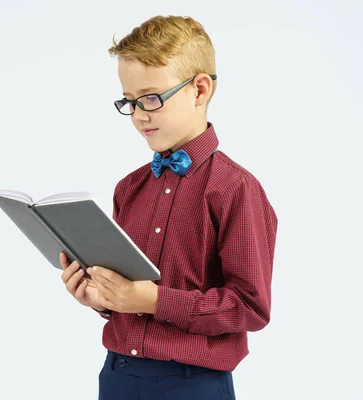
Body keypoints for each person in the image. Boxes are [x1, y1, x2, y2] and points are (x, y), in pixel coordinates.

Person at [60, 15, 278, 400]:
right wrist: (102, 298)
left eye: (151, 98)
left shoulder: (235, 189)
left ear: (199, 89)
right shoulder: (129, 188)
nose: (140, 114)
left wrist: (154, 300)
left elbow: (249, 308)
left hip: (192, 383)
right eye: (129, 102)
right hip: (117, 375)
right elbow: (128, 288)